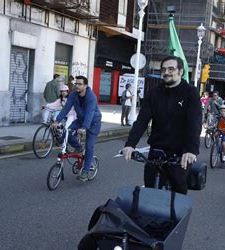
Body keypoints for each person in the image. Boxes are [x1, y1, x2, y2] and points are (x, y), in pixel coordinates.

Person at [121, 56, 201, 195]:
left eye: (171, 69)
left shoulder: (190, 92)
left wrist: (191, 150)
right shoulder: (154, 93)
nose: (166, 72)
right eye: (163, 69)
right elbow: (142, 120)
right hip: (157, 150)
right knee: (150, 191)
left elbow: (195, 122)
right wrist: (130, 144)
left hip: (180, 153)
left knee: (178, 192)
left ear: (180, 72)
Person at [53, 75, 102, 182]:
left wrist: (84, 127)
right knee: (67, 131)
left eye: (79, 84)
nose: (77, 86)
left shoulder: (91, 97)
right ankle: (78, 146)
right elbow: (66, 108)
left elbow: (90, 113)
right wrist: (57, 121)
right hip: (80, 120)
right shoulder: (74, 95)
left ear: (85, 86)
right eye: (76, 83)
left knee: (89, 146)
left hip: (93, 122)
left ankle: (85, 172)